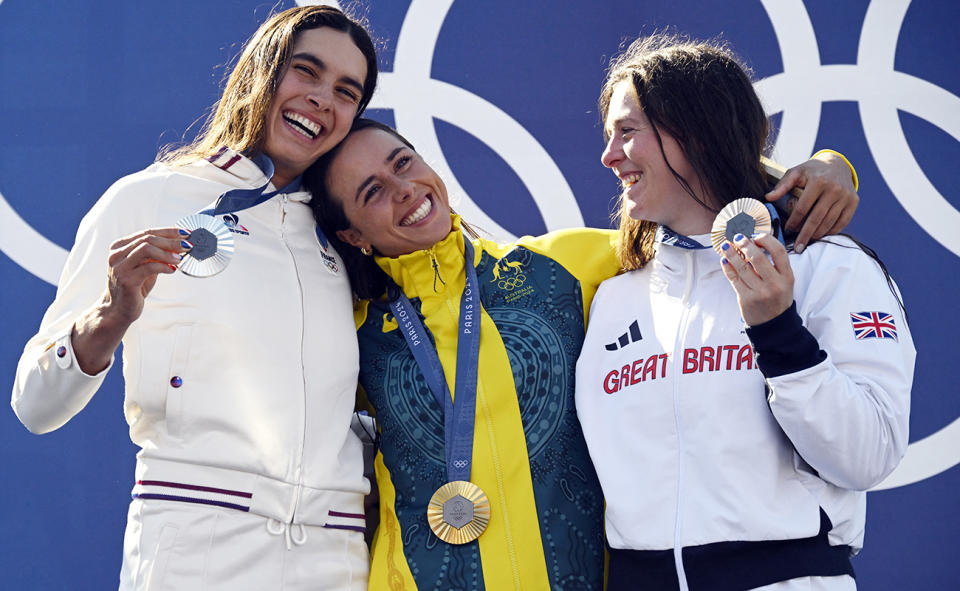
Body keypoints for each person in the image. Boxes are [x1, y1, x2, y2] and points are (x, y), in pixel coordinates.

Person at [304, 112, 860, 589]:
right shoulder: (347, 333)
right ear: (353, 236)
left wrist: (827, 167)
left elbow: (697, 222)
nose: (402, 188)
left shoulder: (563, 266)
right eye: (371, 191)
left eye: (403, 163)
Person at [11, 6, 377, 590]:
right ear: (262, 70)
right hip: (197, 550)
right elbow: (35, 404)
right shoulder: (150, 197)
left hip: (335, 559)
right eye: (305, 71)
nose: (321, 99)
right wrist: (110, 315)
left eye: (345, 91)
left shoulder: (348, 236)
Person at [574, 34, 915, 590]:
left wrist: (779, 331)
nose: (608, 156)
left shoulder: (825, 268)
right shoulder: (613, 294)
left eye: (627, 132)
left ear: (697, 131)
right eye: (609, 135)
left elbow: (869, 454)